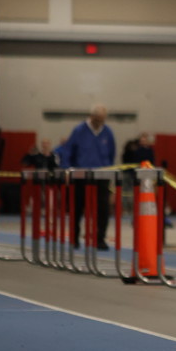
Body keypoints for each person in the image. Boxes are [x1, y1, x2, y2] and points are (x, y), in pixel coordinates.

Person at [59, 104, 116, 250]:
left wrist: (109, 170)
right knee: (77, 208)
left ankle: (100, 238)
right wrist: (67, 169)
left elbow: (112, 153)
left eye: (102, 120)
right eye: (97, 119)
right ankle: (74, 238)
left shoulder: (107, 132)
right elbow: (67, 152)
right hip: (81, 175)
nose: (100, 123)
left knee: (103, 209)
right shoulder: (79, 130)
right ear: (92, 117)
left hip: (101, 175)